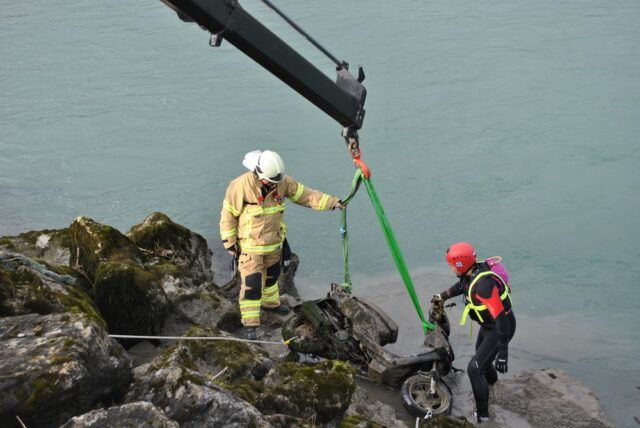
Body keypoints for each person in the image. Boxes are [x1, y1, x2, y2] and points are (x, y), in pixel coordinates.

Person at [220, 150, 344, 340]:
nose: (275, 184)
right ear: (258, 174)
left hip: (274, 245)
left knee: (272, 278)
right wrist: (229, 243)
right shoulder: (240, 186)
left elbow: (306, 195)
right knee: (251, 286)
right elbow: (228, 215)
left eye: (277, 180)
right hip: (250, 248)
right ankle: (251, 325)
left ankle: (271, 304)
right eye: (271, 181)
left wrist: (332, 203)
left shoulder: (283, 182)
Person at [432, 242, 516, 423]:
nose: (450, 267)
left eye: (452, 264)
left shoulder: (484, 286)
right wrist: (442, 296)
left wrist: (503, 353)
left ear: (462, 264)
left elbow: (501, 318)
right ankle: (493, 386)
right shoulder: (470, 273)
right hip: (488, 327)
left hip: (501, 327)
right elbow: (461, 286)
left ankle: (483, 416)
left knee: (474, 368)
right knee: (482, 362)